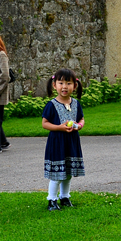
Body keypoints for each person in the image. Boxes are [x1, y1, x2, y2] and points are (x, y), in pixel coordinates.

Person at [41, 68, 85, 211]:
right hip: (57, 143)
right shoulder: (51, 105)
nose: (64, 87)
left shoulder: (76, 103)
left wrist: (79, 126)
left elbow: (81, 119)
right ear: (54, 85)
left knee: (68, 173)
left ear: (75, 86)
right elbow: (45, 123)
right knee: (57, 174)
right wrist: (59, 127)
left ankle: (65, 197)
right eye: (61, 83)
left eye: (68, 83)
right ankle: (51, 200)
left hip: (71, 143)